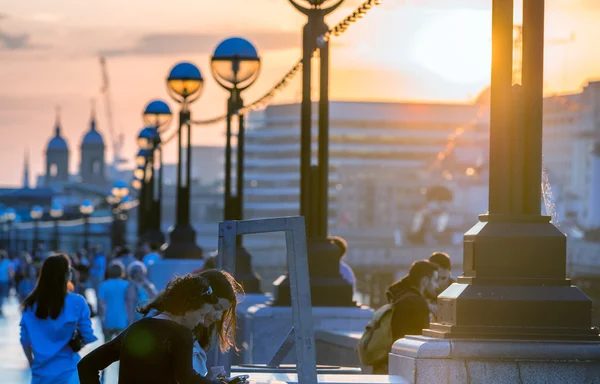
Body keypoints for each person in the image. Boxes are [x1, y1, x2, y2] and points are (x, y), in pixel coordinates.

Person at [78, 269, 244, 384]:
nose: (201, 321)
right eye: (201, 314)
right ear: (187, 307)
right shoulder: (181, 334)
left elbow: (87, 365)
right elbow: (187, 378)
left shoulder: (136, 328)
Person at [20, 254, 97, 384]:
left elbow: (25, 340)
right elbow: (87, 336)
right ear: (66, 275)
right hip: (69, 371)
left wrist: (32, 363)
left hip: (41, 374)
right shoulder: (77, 302)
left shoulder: (30, 304)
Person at [98, 261, 130, 341]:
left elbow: (101, 305)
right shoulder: (126, 285)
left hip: (108, 320)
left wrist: (102, 321)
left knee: (107, 347)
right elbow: (129, 303)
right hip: (122, 319)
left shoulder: (103, 285)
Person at [427, 252, 457, 322]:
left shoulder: (457, 290)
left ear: (449, 273)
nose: (439, 284)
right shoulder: (422, 290)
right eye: (435, 279)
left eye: (443, 278)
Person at [0, 250, 11, 315]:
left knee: (2, 296)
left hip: (5, 281)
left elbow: (10, 272)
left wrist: (10, 281)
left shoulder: (7, 262)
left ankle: (0, 307)